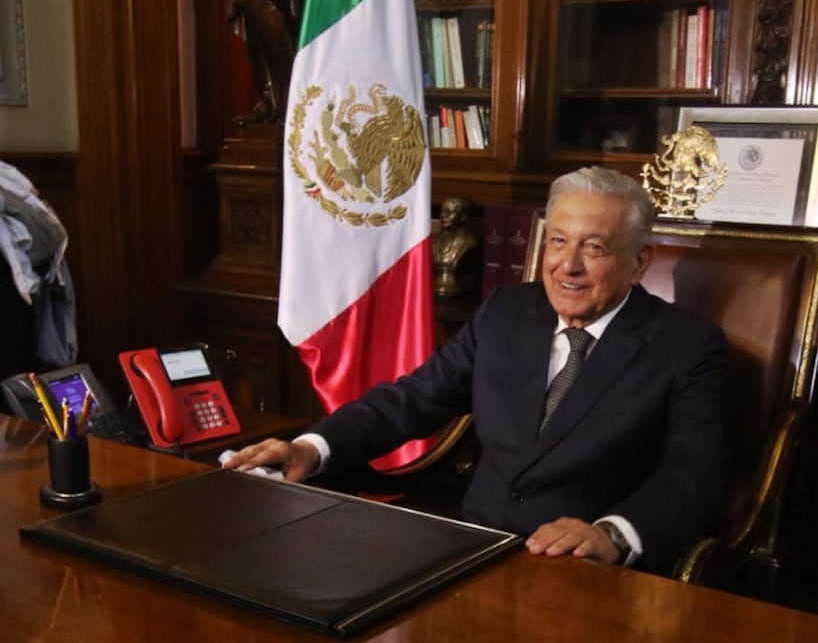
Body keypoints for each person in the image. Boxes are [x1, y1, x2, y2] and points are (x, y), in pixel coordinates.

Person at [225, 166, 729, 574]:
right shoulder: (506, 312)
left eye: (593, 247)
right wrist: (312, 448)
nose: (568, 265)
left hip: (583, 567)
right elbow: (414, 398)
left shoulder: (686, 347)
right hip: (471, 548)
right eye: (557, 241)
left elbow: (693, 471)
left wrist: (612, 535)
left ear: (640, 261)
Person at [431, 197, 477, 296]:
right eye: (442, 211)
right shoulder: (433, 239)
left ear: (462, 217)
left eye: (449, 212)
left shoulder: (469, 241)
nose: (443, 215)